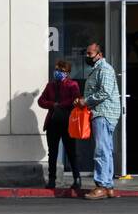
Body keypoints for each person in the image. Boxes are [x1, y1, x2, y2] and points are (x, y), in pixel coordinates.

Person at [79, 41, 120, 199]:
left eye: (90, 54)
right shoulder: (97, 69)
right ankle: (108, 186)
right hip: (102, 113)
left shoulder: (104, 69)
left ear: (99, 55)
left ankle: (101, 186)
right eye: (87, 54)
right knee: (106, 150)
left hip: (103, 113)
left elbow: (104, 92)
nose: (87, 57)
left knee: (101, 150)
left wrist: (86, 101)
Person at [37, 59, 81, 193]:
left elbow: (76, 99)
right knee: (53, 152)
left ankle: (76, 178)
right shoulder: (50, 85)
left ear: (67, 73)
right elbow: (41, 101)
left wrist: (60, 104)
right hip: (52, 122)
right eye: (56, 70)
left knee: (71, 151)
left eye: (61, 71)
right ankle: (52, 180)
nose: (58, 73)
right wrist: (52, 105)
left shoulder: (72, 84)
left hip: (67, 122)